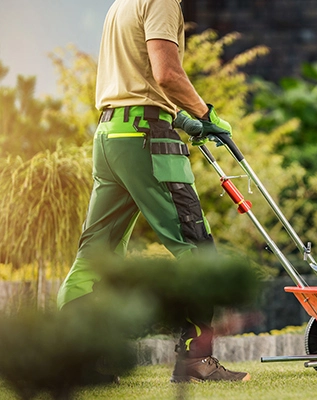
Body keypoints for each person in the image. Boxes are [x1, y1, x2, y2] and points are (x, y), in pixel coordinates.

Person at [56, 0, 250, 382]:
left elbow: (136, 78)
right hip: (147, 138)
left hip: (111, 135)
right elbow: (166, 73)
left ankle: (74, 357)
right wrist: (204, 113)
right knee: (196, 247)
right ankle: (197, 360)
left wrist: (180, 118)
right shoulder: (161, 1)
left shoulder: (121, 4)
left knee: (96, 255)